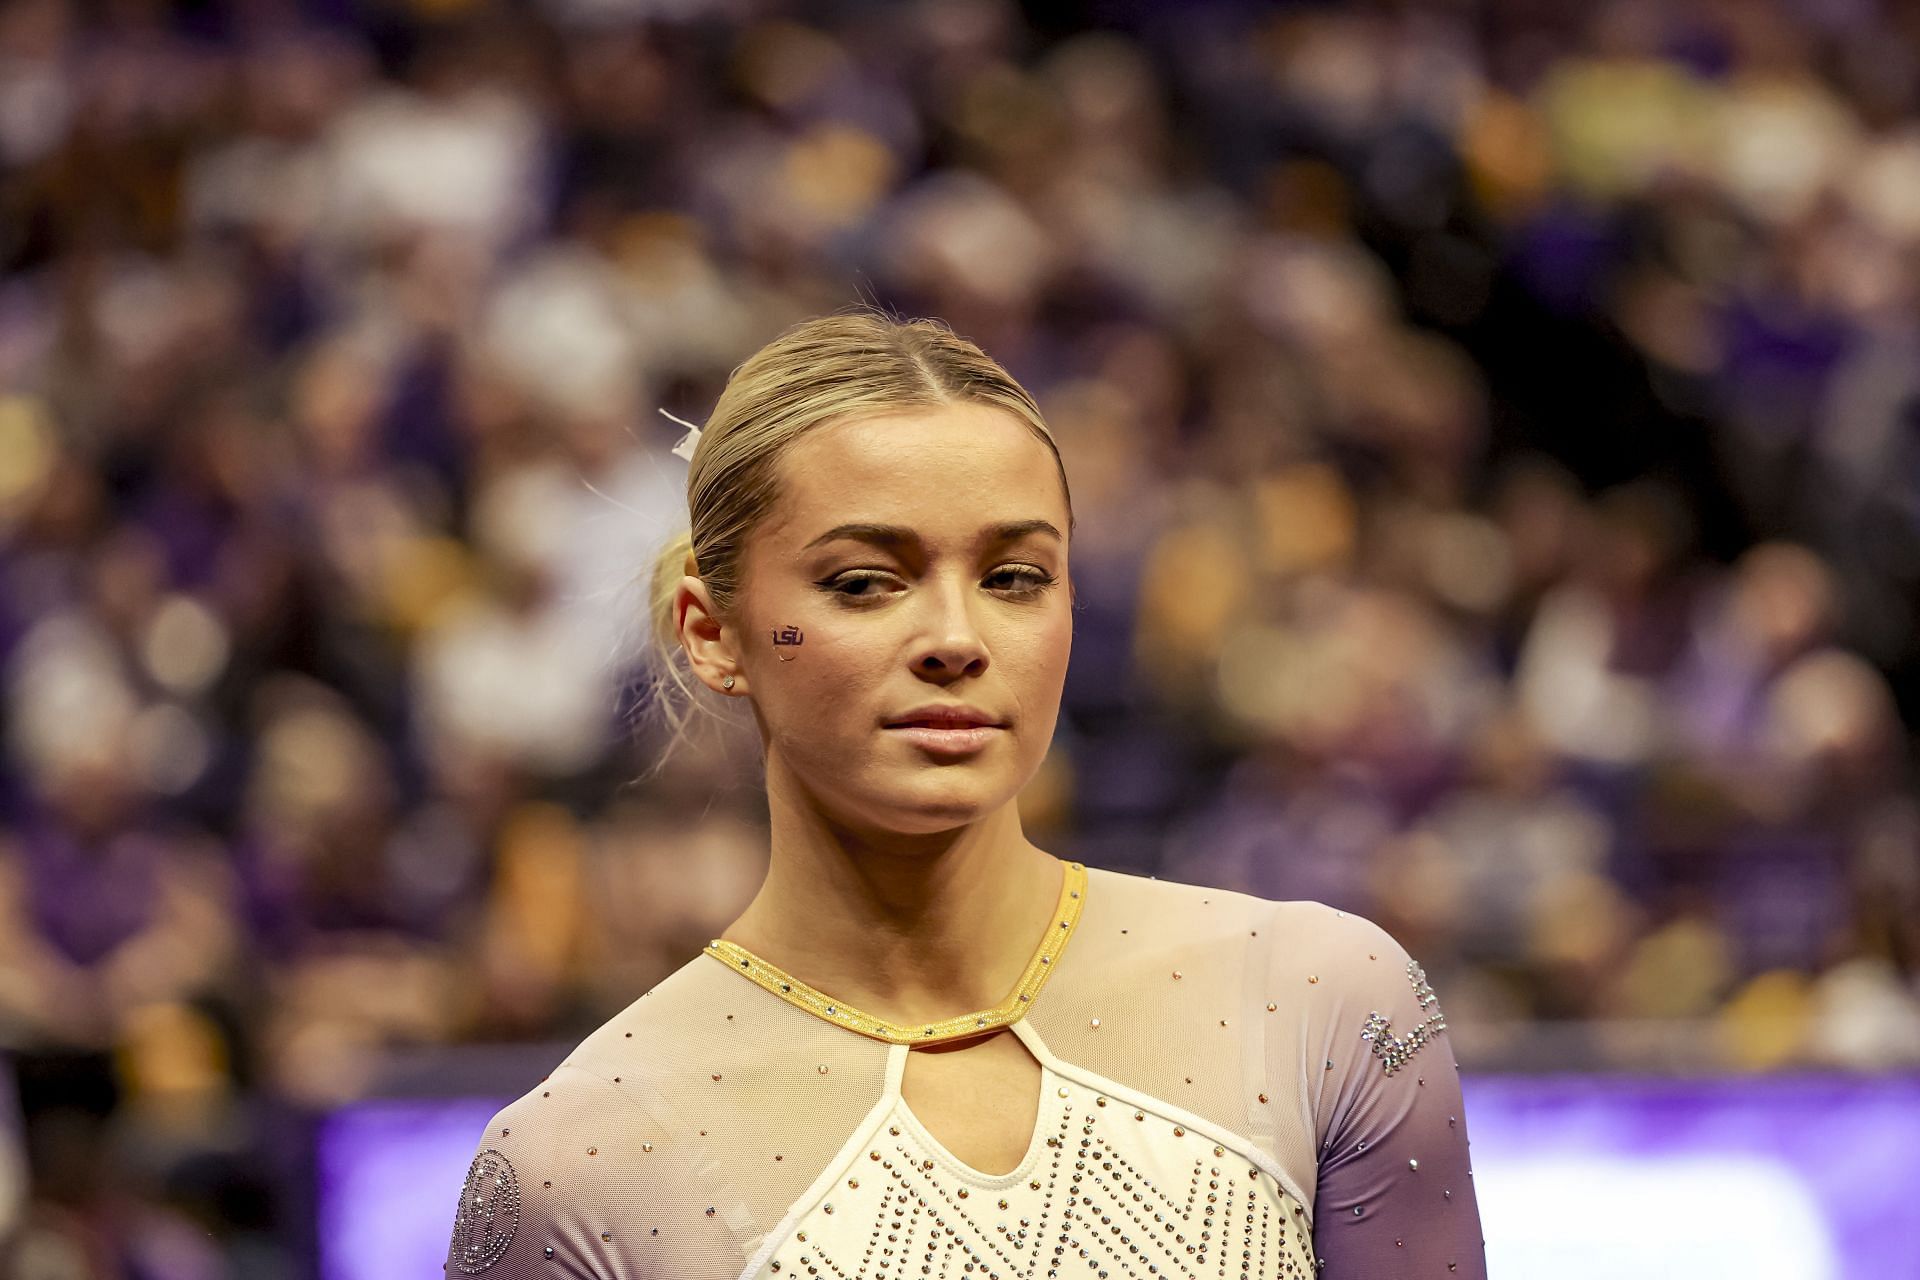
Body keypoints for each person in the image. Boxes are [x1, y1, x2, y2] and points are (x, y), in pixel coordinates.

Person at [443, 310, 1486, 1278]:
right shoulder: (577, 1162)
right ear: (713, 632)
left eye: (1015, 576)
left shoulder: (1323, 1003)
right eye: (864, 582)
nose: (954, 637)